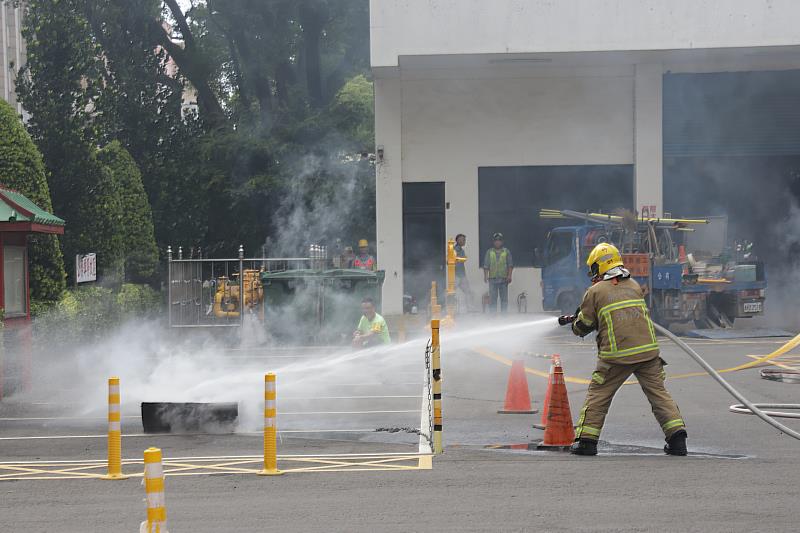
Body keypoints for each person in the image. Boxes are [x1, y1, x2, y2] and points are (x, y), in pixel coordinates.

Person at [561, 242, 687, 456]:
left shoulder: (595, 291)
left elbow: (583, 325)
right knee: (658, 394)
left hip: (617, 356)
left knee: (599, 395)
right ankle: (678, 440)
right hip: (648, 352)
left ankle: (586, 442)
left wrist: (576, 322)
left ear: (600, 266)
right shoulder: (634, 285)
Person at [483, 232, 513, 313]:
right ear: (493, 242)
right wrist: (485, 276)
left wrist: (509, 276)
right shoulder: (489, 252)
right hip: (492, 280)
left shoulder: (506, 251)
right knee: (493, 299)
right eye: (496, 240)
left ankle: (504, 316)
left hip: (504, 280)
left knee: (504, 300)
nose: (497, 242)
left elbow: (510, 265)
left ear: (502, 242)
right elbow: (486, 265)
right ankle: (493, 317)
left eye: (499, 240)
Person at [454, 234, 473, 310]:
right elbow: (449, 261)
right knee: (451, 292)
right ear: (458, 240)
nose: (464, 241)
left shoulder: (462, 250)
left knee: (468, 291)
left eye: (464, 240)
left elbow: (463, 260)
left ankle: (470, 308)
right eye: (463, 240)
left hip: (462, 274)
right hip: (456, 275)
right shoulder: (454, 250)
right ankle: (448, 308)